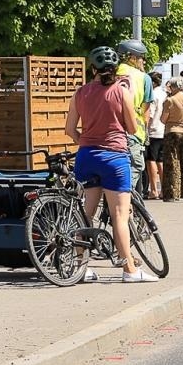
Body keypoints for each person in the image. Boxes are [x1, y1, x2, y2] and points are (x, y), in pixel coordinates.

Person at [63, 46, 153, 282]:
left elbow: (69, 129)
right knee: (120, 215)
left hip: (86, 156)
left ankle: (80, 266)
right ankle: (129, 270)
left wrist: (84, 141)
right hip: (114, 157)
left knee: (86, 213)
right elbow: (133, 128)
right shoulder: (120, 92)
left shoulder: (80, 93)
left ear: (92, 68)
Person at [114, 39, 153, 194]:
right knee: (136, 166)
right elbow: (146, 111)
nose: (143, 61)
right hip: (132, 132)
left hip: (108, 130)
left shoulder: (109, 73)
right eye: (141, 57)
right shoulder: (144, 78)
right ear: (132, 57)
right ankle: (122, 198)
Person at [159, 77, 183, 201]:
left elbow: (163, 119)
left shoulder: (170, 100)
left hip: (173, 131)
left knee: (172, 163)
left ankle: (172, 194)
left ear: (174, 87)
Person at [145, 71, 166, 201]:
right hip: (163, 130)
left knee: (151, 160)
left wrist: (145, 128)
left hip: (153, 131)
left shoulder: (152, 95)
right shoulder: (165, 94)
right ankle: (163, 189)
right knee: (160, 161)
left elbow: (150, 114)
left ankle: (154, 190)